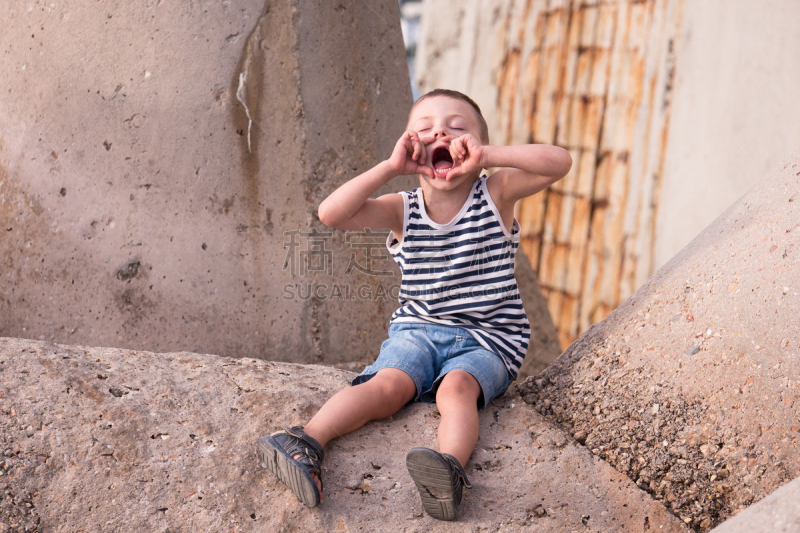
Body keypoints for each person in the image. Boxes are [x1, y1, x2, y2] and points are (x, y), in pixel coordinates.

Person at [257, 89, 571, 521]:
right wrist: (389, 168)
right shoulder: (402, 209)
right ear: (410, 144)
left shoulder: (496, 193)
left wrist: (488, 155)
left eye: (458, 127)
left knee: (456, 390)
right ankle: (305, 441)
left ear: (476, 144)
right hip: (417, 331)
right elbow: (331, 214)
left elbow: (559, 162)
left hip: (489, 338)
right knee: (387, 387)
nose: (440, 130)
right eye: (424, 129)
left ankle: (449, 472)